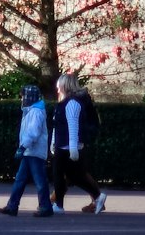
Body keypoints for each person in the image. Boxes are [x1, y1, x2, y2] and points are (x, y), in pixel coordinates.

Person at [51, 72, 106, 214]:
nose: (57, 90)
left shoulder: (72, 104)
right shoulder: (65, 104)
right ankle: (98, 196)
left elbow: (73, 127)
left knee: (61, 174)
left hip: (67, 146)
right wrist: (53, 142)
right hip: (64, 144)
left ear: (65, 86)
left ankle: (59, 205)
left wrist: (73, 148)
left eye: (59, 87)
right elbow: (57, 126)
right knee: (75, 176)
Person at [0, 83, 53, 218]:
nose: (21, 99)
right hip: (30, 151)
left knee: (38, 180)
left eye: (23, 97)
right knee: (21, 179)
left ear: (29, 97)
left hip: (33, 151)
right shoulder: (32, 111)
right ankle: (13, 206)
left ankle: (44, 207)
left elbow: (33, 132)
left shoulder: (35, 112)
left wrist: (22, 146)